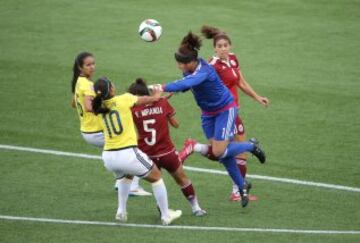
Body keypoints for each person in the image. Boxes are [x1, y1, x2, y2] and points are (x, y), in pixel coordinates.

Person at [151, 32, 266, 207]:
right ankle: (242, 186)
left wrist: (162, 86)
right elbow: (185, 84)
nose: (178, 66)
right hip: (208, 114)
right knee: (220, 155)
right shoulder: (190, 70)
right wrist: (167, 94)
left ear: (190, 62)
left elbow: (187, 83)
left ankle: (251, 146)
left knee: (219, 151)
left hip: (225, 110)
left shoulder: (204, 71)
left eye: (180, 63)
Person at [193, 25, 270, 201]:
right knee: (227, 152)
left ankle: (239, 188)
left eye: (225, 45)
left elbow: (241, 82)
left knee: (224, 152)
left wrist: (257, 97)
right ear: (214, 48)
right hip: (222, 113)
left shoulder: (233, 59)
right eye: (219, 46)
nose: (223, 49)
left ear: (230, 46)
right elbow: (200, 83)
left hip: (232, 112)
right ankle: (238, 190)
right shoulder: (212, 66)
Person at [91, 77, 182, 225]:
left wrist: (157, 98)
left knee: (125, 177)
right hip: (126, 153)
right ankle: (166, 215)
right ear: (111, 89)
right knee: (157, 177)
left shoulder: (99, 107)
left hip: (108, 156)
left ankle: (121, 211)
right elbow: (144, 100)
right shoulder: (125, 99)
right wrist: (157, 96)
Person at [70, 52, 150, 196]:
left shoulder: (78, 82)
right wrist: (110, 107)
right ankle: (132, 186)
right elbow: (89, 107)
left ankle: (121, 182)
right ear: (80, 67)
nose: (92, 67)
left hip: (87, 130)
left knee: (123, 149)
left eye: (93, 64)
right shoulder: (88, 85)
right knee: (134, 145)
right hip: (95, 131)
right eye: (88, 65)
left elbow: (73, 103)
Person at [128, 78, 207, 216]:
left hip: (148, 155)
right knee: (182, 179)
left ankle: (162, 209)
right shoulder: (163, 103)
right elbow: (176, 124)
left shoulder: (132, 109)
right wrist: (163, 103)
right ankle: (196, 208)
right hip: (167, 153)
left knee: (157, 182)